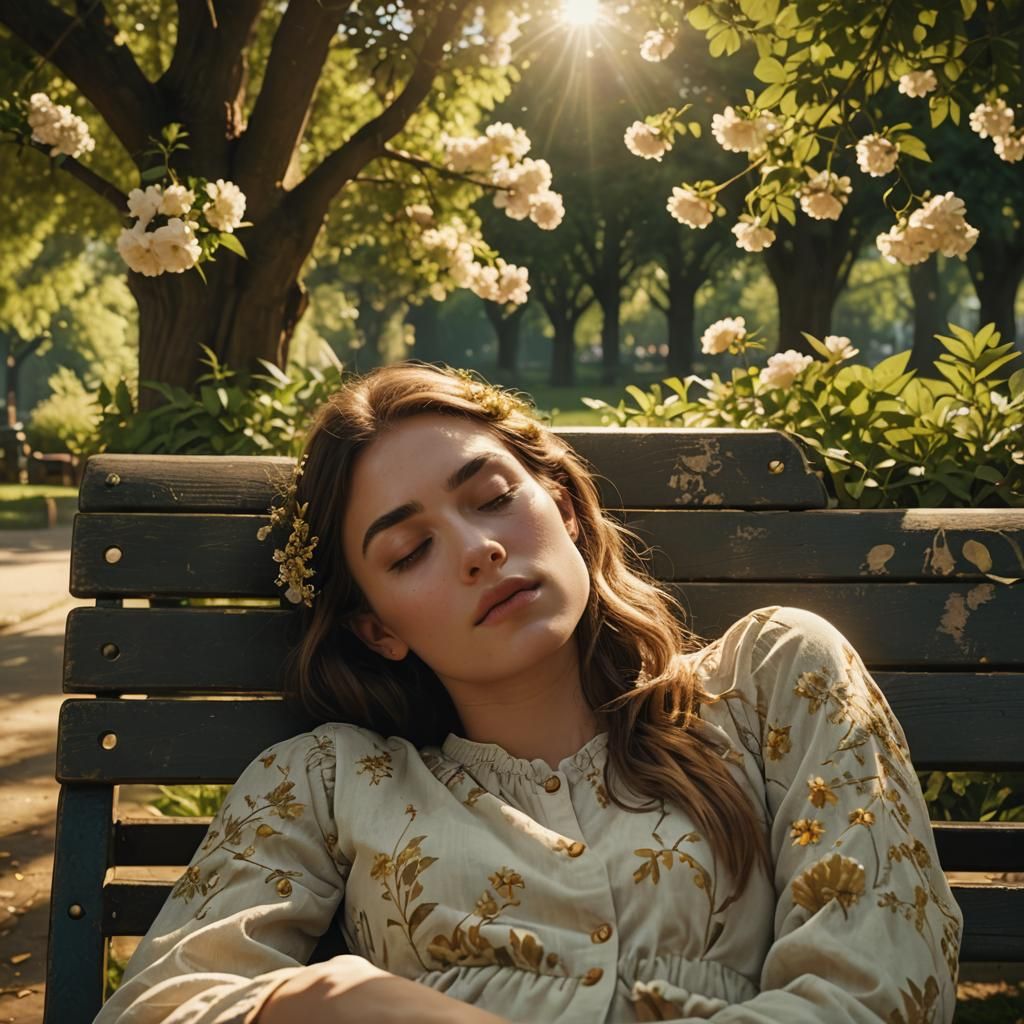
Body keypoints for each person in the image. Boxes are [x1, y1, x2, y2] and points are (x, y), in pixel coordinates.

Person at [94, 362, 962, 1024]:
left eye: (493, 497)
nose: (478, 550)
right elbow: (159, 1003)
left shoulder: (773, 680)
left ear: (564, 507)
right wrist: (316, 1002)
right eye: (409, 553)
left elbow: (878, 990)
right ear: (378, 629)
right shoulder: (326, 781)